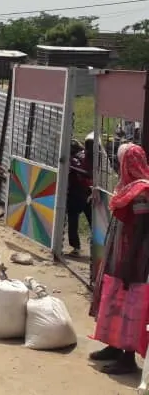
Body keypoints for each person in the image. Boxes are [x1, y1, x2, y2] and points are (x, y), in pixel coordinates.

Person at [89, 144, 149, 375]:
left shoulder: (142, 190)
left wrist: (129, 261)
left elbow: (142, 228)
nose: (116, 165)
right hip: (120, 252)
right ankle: (114, 346)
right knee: (115, 297)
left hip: (134, 257)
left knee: (130, 303)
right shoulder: (128, 187)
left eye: (119, 161)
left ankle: (127, 357)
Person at [66, 140, 93, 255]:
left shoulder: (71, 159)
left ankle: (76, 248)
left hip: (76, 192)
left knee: (73, 219)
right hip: (88, 191)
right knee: (92, 220)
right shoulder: (86, 156)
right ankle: (102, 244)